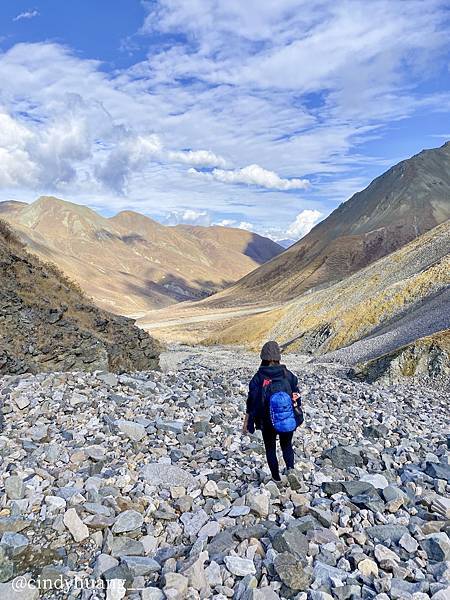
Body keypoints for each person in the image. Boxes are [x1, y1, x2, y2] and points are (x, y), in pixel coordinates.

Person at [242, 340, 302, 483]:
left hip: (266, 421)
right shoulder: (287, 375)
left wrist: (247, 422)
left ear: (262, 357)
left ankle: (276, 479)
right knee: (286, 445)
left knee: (270, 448)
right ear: (278, 357)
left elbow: (252, 402)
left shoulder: (258, 377)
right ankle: (290, 469)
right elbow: (297, 394)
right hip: (286, 418)